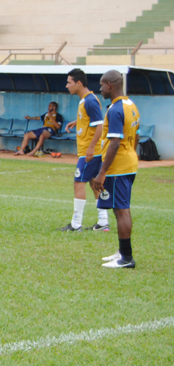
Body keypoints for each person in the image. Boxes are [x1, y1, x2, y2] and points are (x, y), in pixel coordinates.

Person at [92, 70, 140, 269]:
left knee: (121, 210)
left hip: (118, 167)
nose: (100, 89)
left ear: (110, 85)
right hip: (128, 163)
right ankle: (122, 252)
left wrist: (102, 173)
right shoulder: (131, 105)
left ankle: (126, 258)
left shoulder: (115, 110)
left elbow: (114, 143)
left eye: (102, 85)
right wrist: (132, 155)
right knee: (119, 208)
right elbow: (136, 135)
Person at [59, 68, 109, 232]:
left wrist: (91, 147)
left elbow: (100, 126)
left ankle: (76, 224)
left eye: (69, 82)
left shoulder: (90, 101)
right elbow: (91, 120)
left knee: (78, 183)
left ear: (79, 83)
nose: (67, 86)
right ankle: (103, 222)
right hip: (91, 151)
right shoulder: (86, 100)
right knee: (95, 183)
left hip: (90, 153)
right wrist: (77, 122)